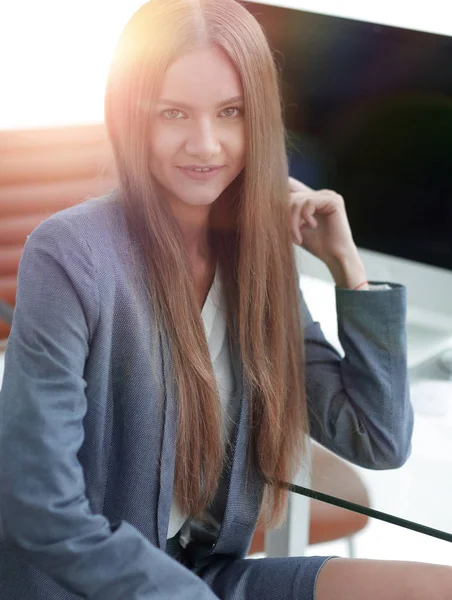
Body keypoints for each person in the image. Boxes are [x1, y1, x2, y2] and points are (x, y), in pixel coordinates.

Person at [0, 1, 450, 598]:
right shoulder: (70, 254)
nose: (205, 144)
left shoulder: (257, 258)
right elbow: (40, 506)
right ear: (133, 116)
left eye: (230, 112)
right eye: (174, 113)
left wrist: (347, 270)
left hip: (206, 576)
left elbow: (377, 439)